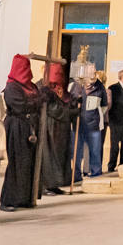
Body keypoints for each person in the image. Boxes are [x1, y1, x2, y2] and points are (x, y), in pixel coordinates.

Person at [0, 54, 41, 212]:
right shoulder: (12, 87)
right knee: (17, 162)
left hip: (31, 126)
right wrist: (37, 102)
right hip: (17, 126)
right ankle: (8, 200)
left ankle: (24, 198)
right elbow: (20, 106)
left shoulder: (32, 86)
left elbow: (37, 103)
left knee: (28, 163)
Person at [40, 63, 79, 195]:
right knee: (49, 157)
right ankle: (46, 185)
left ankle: (55, 184)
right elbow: (55, 110)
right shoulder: (44, 89)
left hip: (61, 129)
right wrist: (72, 111)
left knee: (60, 156)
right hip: (50, 129)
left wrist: (74, 105)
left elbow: (65, 103)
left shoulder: (61, 88)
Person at [75, 71, 108, 178]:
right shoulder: (77, 86)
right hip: (78, 123)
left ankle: (96, 173)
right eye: (89, 80)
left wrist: (96, 116)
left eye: (93, 80)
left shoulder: (100, 88)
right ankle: (76, 175)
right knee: (77, 151)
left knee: (95, 150)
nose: (91, 83)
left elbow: (104, 105)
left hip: (94, 124)